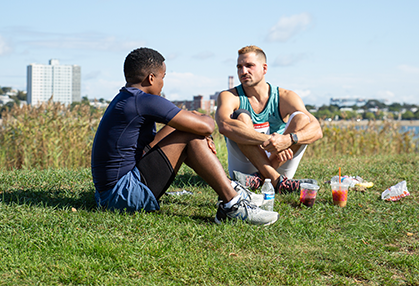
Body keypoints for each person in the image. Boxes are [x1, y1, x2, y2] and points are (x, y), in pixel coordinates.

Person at [91, 47, 279, 226]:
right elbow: (207, 126)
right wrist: (202, 130)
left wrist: (198, 127)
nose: (163, 83)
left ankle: (230, 188)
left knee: (183, 129)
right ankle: (232, 205)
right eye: (162, 78)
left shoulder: (127, 97)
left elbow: (187, 122)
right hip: (120, 196)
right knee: (191, 136)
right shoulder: (145, 101)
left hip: (109, 194)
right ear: (151, 78)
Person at [215, 45, 323, 193]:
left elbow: (317, 130)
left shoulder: (285, 96)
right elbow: (224, 125)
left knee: (302, 119)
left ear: (264, 68)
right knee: (240, 118)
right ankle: (277, 181)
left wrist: (289, 140)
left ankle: (260, 178)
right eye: (239, 67)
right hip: (244, 167)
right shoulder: (229, 96)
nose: (243, 71)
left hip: (279, 161)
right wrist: (271, 140)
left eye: (249, 66)